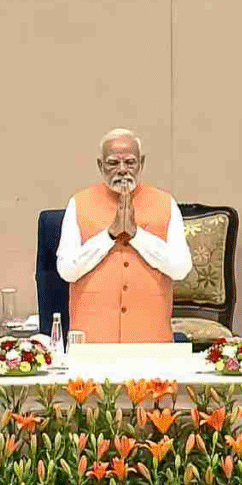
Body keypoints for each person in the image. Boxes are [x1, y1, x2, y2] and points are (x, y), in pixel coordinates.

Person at [57, 129, 192, 343]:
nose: (122, 169)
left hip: (151, 339)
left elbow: (181, 268)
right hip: (92, 341)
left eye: (129, 162)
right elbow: (67, 270)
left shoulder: (165, 203)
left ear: (141, 163)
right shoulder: (78, 203)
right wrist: (109, 236)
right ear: (100, 165)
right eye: (113, 163)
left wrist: (137, 236)